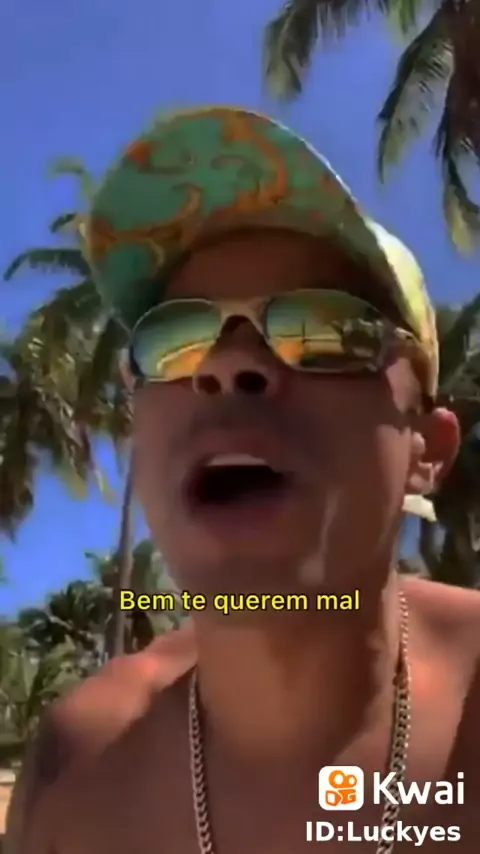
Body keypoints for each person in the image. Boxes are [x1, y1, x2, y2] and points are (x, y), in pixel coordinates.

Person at [7, 106, 480, 854]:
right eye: (175, 337)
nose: (229, 364)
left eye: (326, 328)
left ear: (427, 447)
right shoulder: (78, 770)